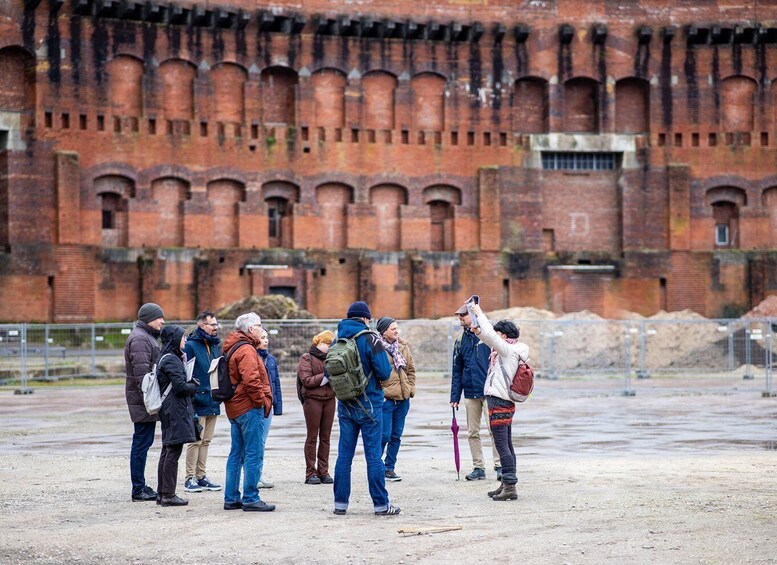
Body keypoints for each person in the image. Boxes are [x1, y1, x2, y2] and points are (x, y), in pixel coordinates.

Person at [332, 301, 400, 516]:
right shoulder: (370, 338)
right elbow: (384, 372)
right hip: (370, 403)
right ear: (365, 318)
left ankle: (340, 504)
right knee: (373, 456)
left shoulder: (338, 339)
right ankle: (381, 505)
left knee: (344, 456)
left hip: (345, 403)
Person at [469, 302, 529, 501]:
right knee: (506, 444)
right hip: (503, 401)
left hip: (499, 402)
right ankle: (505, 482)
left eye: (498, 334)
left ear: (503, 336)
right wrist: (478, 332)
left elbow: (491, 337)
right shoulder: (510, 350)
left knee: (502, 445)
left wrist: (478, 311)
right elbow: (489, 338)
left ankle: (510, 487)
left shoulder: (507, 351)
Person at [222, 312, 275, 512]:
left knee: (236, 453)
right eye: (260, 325)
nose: (262, 329)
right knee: (253, 453)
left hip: (235, 407)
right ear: (251, 329)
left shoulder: (233, 346)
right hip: (248, 407)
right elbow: (251, 380)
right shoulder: (246, 350)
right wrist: (260, 402)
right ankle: (251, 497)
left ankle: (231, 497)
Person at [449, 297, 502, 481]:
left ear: (472, 315)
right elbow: (457, 369)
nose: (460, 319)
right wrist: (454, 396)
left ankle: (499, 466)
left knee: (494, 430)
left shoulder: (487, 336)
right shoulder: (460, 340)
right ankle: (478, 467)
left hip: (489, 392)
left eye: (463, 315)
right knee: (472, 432)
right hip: (470, 393)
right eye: (459, 316)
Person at [124, 302, 165, 502]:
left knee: (143, 442)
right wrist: (150, 402)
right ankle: (138, 488)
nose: (162, 321)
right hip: (143, 401)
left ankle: (140, 486)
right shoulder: (140, 339)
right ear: (149, 318)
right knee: (141, 443)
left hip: (144, 400)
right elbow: (144, 377)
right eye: (159, 317)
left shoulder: (145, 336)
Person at [155, 325, 198, 507]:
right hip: (175, 410)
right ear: (174, 339)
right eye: (182, 337)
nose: (185, 340)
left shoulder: (166, 357)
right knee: (172, 452)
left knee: (167, 450)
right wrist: (194, 385)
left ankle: (162, 493)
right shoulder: (171, 360)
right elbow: (180, 387)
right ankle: (168, 495)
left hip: (169, 410)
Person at [182, 311, 223, 494]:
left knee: (206, 440)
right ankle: (189, 478)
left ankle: (201, 476)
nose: (215, 327)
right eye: (212, 324)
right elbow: (186, 371)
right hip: (197, 398)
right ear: (201, 326)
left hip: (213, 398)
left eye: (216, 324)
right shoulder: (190, 346)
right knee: (195, 440)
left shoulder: (214, 346)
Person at [376, 316, 416, 482]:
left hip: (403, 400)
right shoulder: (376, 348)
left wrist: (410, 389)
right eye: (393, 329)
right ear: (384, 332)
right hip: (386, 401)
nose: (397, 331)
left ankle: (389, 468)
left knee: (396, 436)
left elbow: (411, 370)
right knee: (384, 435)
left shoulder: (403, 346)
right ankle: (376, 467)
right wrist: (381, 394)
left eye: (397, 328)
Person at [297, 330, 336, 485]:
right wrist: (325, 376)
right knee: (312, 436)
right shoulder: (306, 358)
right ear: (319, 342)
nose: (329, 347)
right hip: (312, 400)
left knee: (326, 437)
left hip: (330, 399)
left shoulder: (332, 359)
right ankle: (310, 472)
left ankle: (323, 471)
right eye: (328, 343)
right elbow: (306, 380)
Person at [256, 327, 282, 489]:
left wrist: (277, 406)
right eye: (262, 337)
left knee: (262, 442)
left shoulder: (271, 359)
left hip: (269, 406)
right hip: (258, 405)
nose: (266, 340)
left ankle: (258, 474)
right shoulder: (251, 357)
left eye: (266, 337)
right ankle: (252, 476)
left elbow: (276, 384)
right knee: (255, 442)